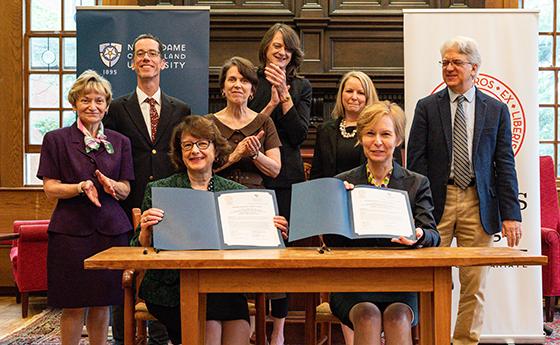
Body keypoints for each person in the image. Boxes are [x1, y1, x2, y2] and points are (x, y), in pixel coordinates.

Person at [131, 115, 288, 345]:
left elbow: (252, 245)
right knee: (211, 329)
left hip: (222, 283)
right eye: (187, 145)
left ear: (216, 149)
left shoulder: (236, 192)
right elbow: (137, 247)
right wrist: (145, 231)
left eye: (202, 144)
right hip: (172, 286)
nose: (195, 151)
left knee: (239, 330)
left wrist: (272, 232)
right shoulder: (160, 189)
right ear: (180, 152)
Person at [407, 36, 522, 345]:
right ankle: (434, 339)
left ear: (475, 68)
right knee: (430, 278)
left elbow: (504, 165)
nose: (449, 68)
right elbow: (415, 162)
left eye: (457, 62)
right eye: (445, 62)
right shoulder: (427, 108)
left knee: (475, 285)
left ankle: (463, 343)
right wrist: (417, 209)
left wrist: (511, 214)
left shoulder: (496, 110)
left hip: (478, 202)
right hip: (436, 203)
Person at [324, 101, 440, 345]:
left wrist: (419, 235)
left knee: (398, 316)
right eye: (370, 133)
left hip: (401, 281)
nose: (377, 141)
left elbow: (432, 234)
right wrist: (338, 208)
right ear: (361, 138)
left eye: (386, 134)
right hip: (354, 282)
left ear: (398, 140)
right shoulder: (342, 182)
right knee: (367, 315)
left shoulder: (416, 183)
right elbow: (331, 242)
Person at [103, 33, 191, 345]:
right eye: (140, 54)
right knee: (126, 276)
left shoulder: (180, 109)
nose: (146, 58)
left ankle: (161, 336)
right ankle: (122, 338)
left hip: (170, 205)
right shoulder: (116, 108)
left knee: (164, 272)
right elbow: (111, 155)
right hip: (128, 204)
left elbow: (183, 157)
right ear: (132, 63)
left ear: (163, 62)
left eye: (152, 53)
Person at [37, 70, 134, 345]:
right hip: (70, 233)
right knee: (74, 303)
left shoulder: (120, 141)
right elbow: (50, 188)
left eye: (99, 101)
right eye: (86, 100)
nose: (93, 106)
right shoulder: (56, 139)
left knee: (103, 302)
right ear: (74, 103)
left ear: (107, 104)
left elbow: (126, 190)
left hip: (111, 232)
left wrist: (111, 185)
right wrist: (80, 187)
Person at [248, 23, 312, 345]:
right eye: (275, 46)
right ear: (265, 49)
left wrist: (285, 95)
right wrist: (271, 99)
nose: (280, 51)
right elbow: (248, 123)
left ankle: (278, 329)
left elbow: (298, 134)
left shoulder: (301, 86)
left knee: (280, 253)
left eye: (286, 47)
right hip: (252, 175)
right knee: (248, 250)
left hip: (286, 178)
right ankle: (247, 320)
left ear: (293, 53)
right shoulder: (251, 81)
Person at [209, 56, 281, 188]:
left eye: (244, 81)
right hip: (218, 191)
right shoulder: (207, 123)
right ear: (223, 89)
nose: (237, 85)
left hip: (255, 195)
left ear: (252, 90)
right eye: (232, 79)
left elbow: (275, 170)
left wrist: (255, 154)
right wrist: (235, 155)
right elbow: (200, 168)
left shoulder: (265, 122)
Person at [310, 71, 378, 179]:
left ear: (368, 97)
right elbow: (317, 175)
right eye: (349, 91)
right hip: (333, 193)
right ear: (341, 94)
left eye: (360, 93)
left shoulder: (378, 129)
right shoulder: (325, 130)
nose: (354, 97)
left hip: (366, 193)